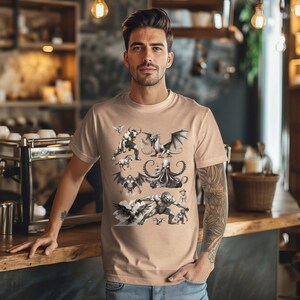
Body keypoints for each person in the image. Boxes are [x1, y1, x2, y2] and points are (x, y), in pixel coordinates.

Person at [7, 8, 228, 300]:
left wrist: (207, 262)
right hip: (124, 284)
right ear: (127, 58)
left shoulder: (197, 117)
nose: (147, 56)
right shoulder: (101, 116)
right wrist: (52, 230)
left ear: (169, 58)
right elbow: (74, 175)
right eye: (138, 48)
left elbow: (217, 194)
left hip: (185, 283)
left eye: (156, 48)